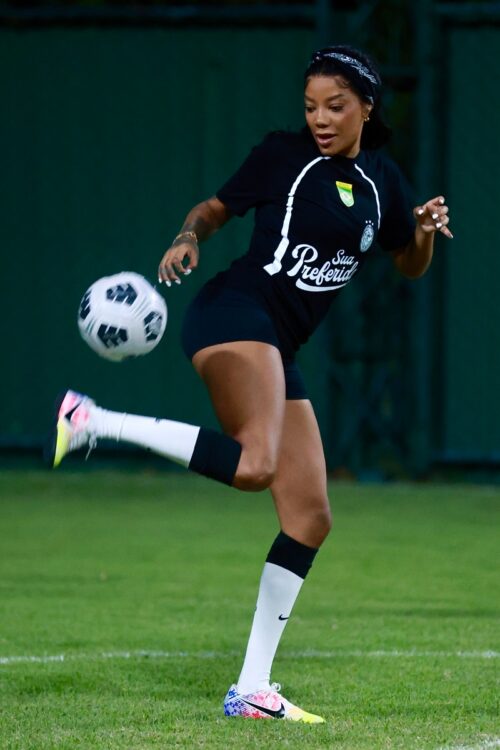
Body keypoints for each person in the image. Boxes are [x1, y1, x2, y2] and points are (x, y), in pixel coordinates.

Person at [46, 45, 452, 723]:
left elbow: (408, 262)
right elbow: (214, 207)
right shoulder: (282, 156)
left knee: (310, 516)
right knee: (255, 464)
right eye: (310, 105)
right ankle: (90, 421)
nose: (320, 118)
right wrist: (188, 234)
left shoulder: (384, 178)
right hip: (234, 313)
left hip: (276, 343)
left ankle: (251, 690)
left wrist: (424, 231)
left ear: (367, 107)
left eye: (335, 105)